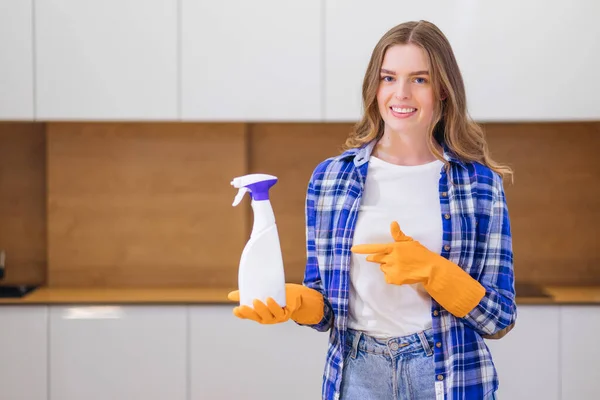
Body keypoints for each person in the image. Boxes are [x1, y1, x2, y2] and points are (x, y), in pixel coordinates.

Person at [228, 20, 516, 400]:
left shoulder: (479, 185)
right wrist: (294, 302)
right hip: (357, 375)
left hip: (448, 375)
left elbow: (499, 318)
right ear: (374, 87)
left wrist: (435, 272)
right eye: (388, 78)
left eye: (419, 80)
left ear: (443, 90)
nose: (400, 93)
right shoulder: (331, 179)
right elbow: (328, 310)